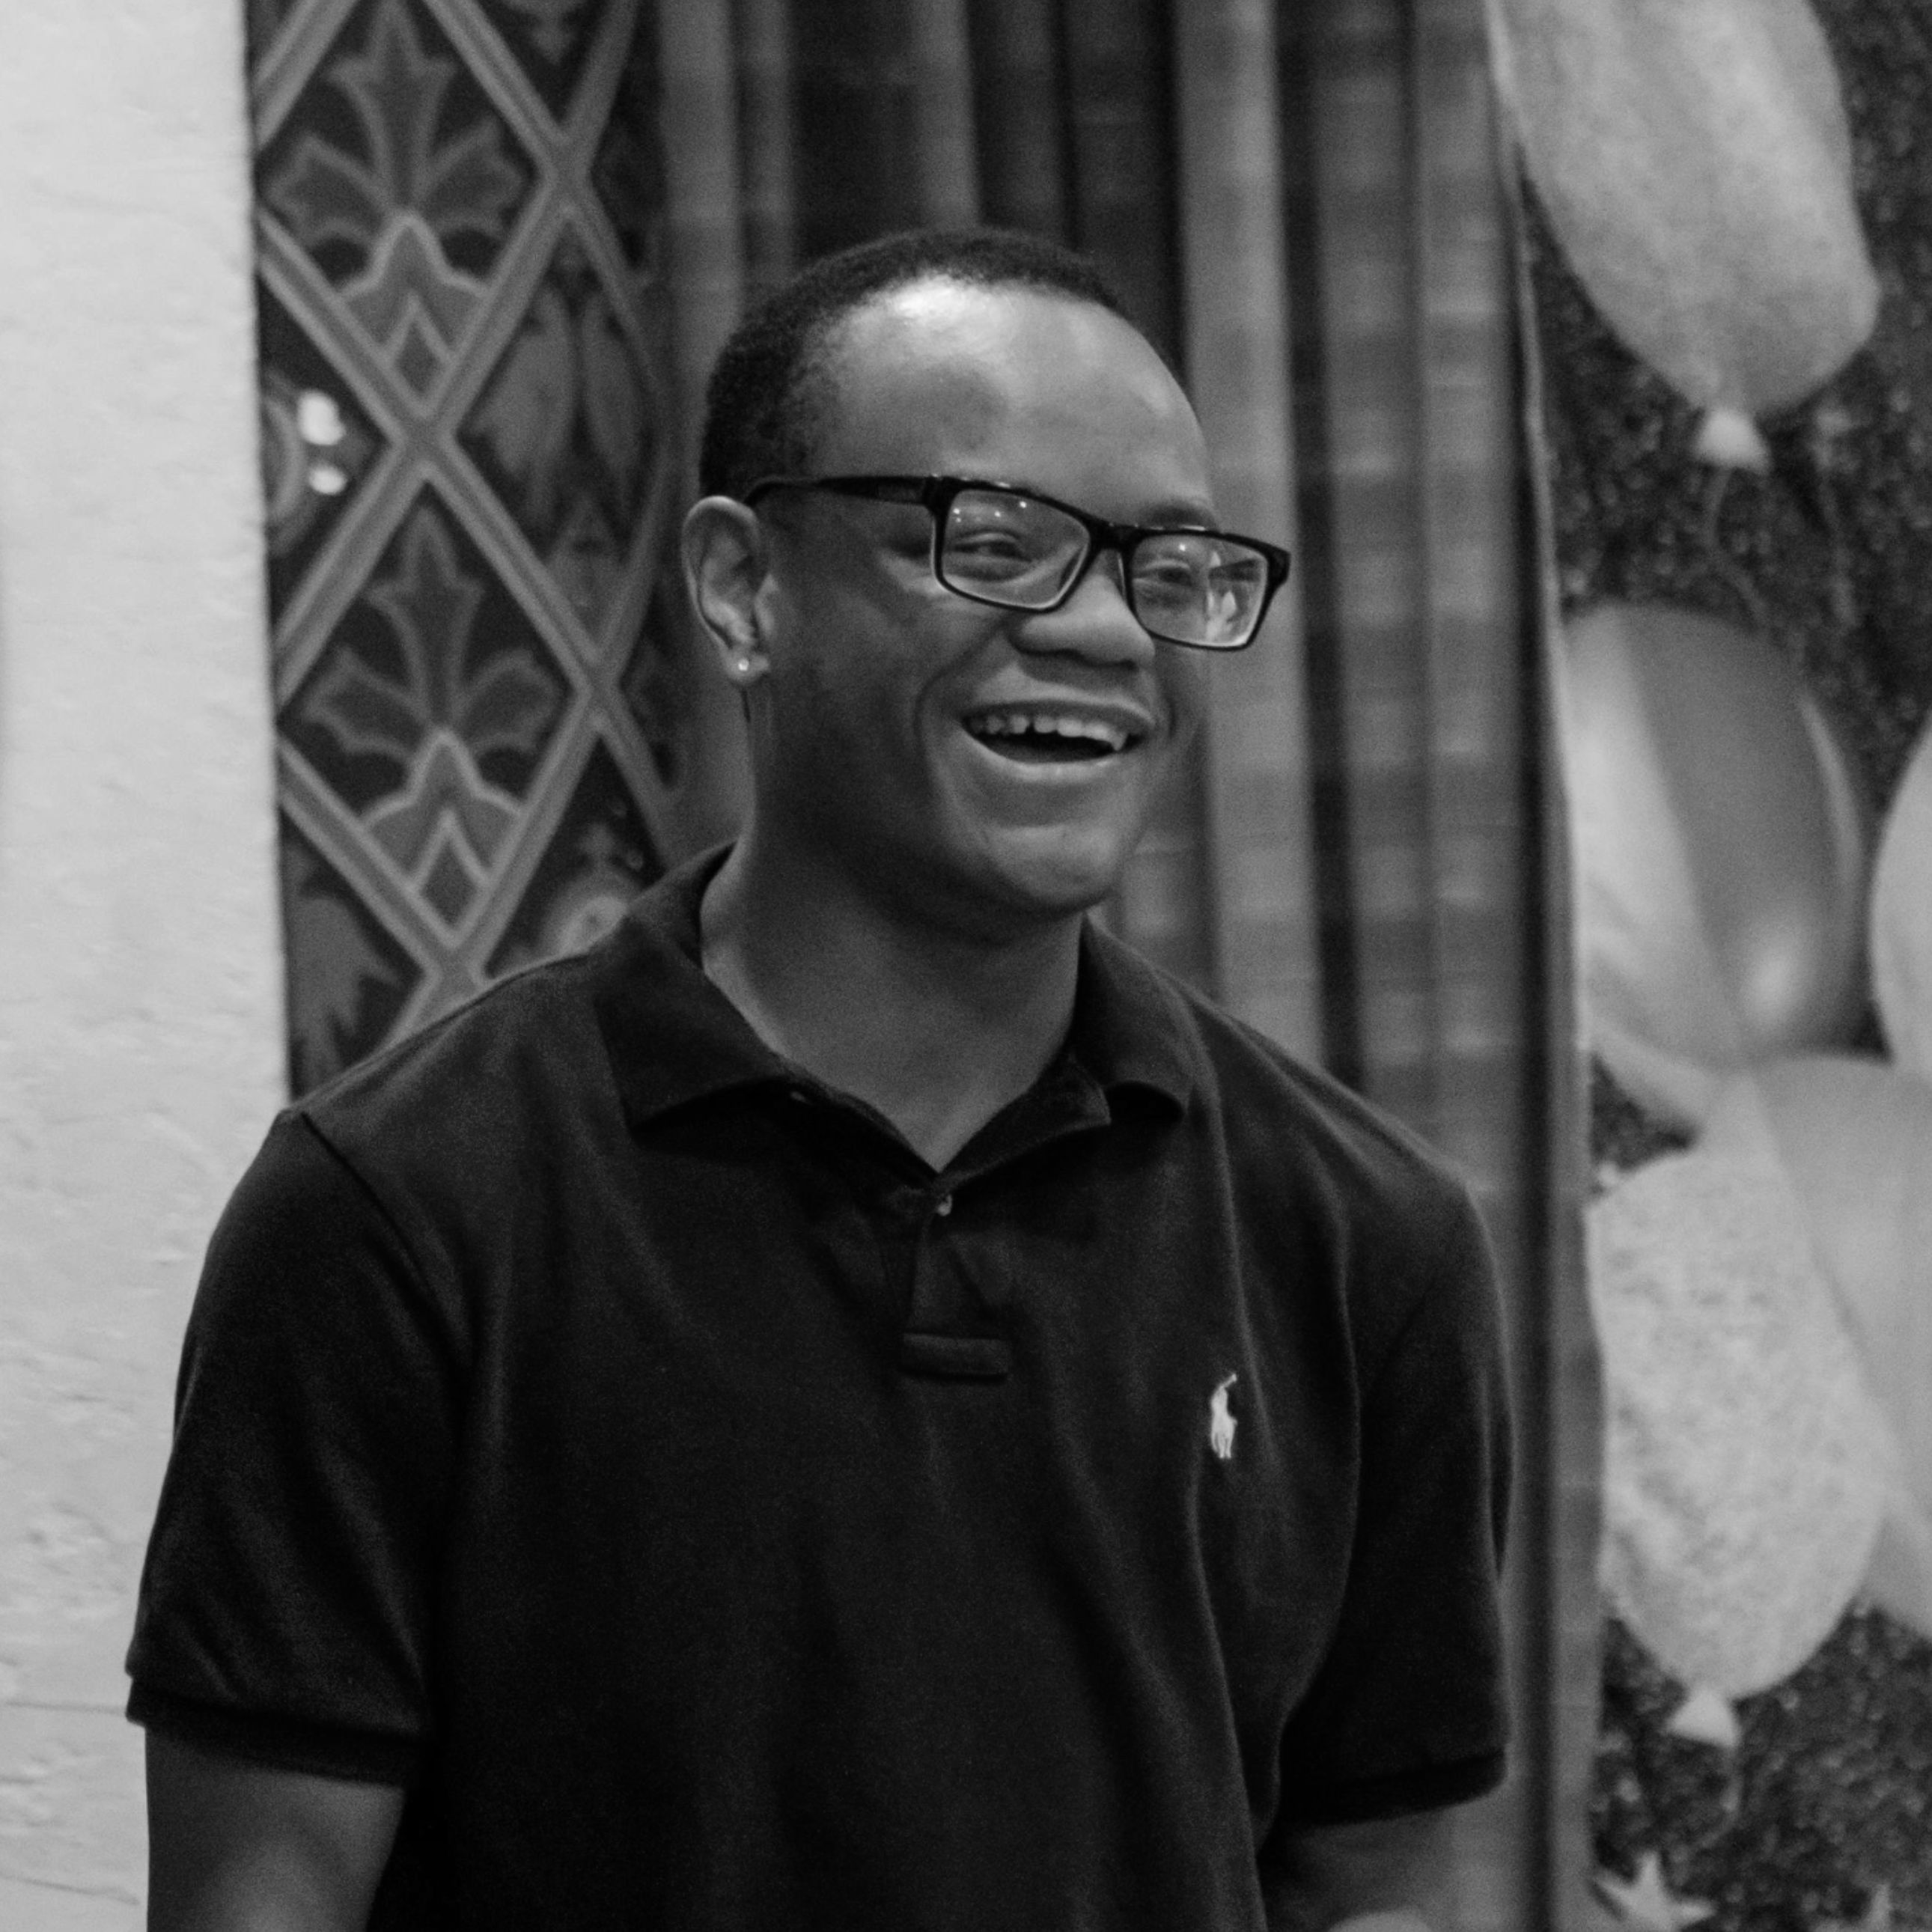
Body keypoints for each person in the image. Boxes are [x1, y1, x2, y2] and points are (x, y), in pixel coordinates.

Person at [129, 228, 1511, 1931]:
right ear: (742, 587)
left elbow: (1370, 1889)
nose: (1106, 631)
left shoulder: (1367, 1239)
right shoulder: (401, 1209)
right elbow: (259, 1901)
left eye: (1171, 568)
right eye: (993, 543)